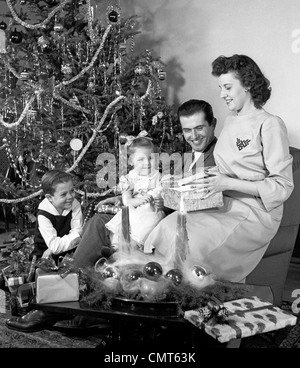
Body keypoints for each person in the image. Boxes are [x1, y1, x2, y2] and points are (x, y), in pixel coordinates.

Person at [5, 100, 218, 333]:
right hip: (139, 212)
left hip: (155, 218)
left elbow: (184, 199)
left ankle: (54, 307)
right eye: (187, 130)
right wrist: (119, 200)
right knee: (97, 220)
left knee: (99, 228)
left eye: (199, 128)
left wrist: (161, 201)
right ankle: (77, 309)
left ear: (212, 125)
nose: (193, 135)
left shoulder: (216, 158)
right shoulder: (191, 157)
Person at [143, 54, 294, 283]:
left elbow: (283, 187)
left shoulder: (270, 124)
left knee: (193, 243)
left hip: (255, 212)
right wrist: (185, 181)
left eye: (227, 87)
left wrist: (227, 183)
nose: (222, 94)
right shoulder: (231, 121)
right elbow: (223, 169)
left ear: (248, 84)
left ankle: (191, 301)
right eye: (220, 87)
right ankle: (164, 300)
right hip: (222, 202)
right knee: (170, 226)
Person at [105, 137, 165, 250]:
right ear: (131, 161)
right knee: (124, 215)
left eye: (150, 158)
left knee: (152, 218)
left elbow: (162, 195)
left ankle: (135, 244)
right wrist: (139, 201)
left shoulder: (158, 177)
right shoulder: (129, 178)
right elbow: (127, 201)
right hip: (134, 208)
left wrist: (158, 200)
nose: (147, 163)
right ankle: (115, 247)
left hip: (151, 210)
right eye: (140, 159)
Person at [30, 170, 83, 263]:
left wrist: (54, 248)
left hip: (69, 250)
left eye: (72, 191)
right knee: (45, 272)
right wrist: (52, 249)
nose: (70, 197)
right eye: (63, 194)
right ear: (50, 198)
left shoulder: (74, 204)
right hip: (44, 252)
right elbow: (55, 246)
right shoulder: (43, 215)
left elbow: (78, 231)